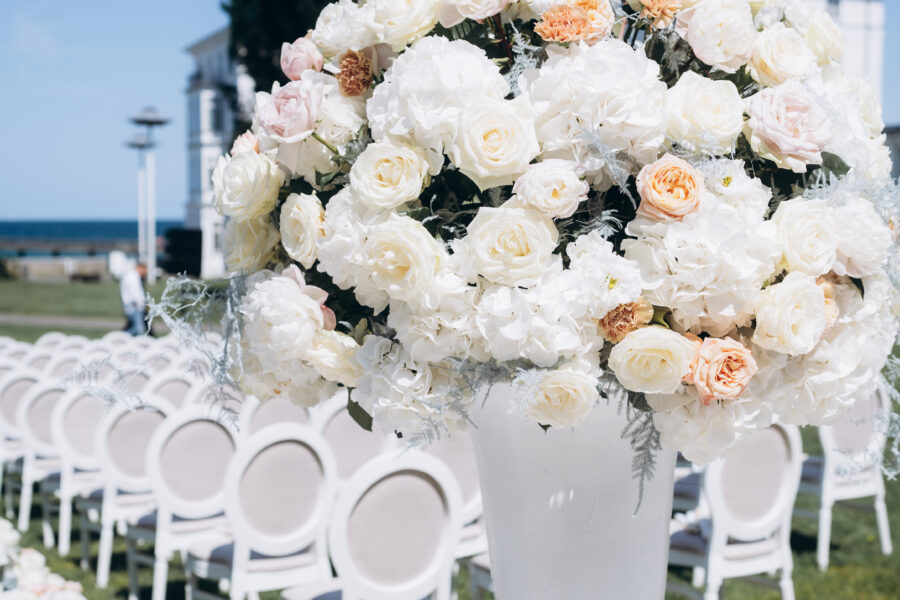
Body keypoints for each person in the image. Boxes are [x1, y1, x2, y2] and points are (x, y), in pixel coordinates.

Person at [120, 261, 148, 336]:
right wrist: (140, 303)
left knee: (136, 327)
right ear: (140, 267)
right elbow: (135, 291)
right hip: (135, 305)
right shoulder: (133, 276)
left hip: (133, 305)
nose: (146, 272)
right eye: (145, 269)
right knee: (139, 329)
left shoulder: (130, 275)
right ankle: (121, 339)